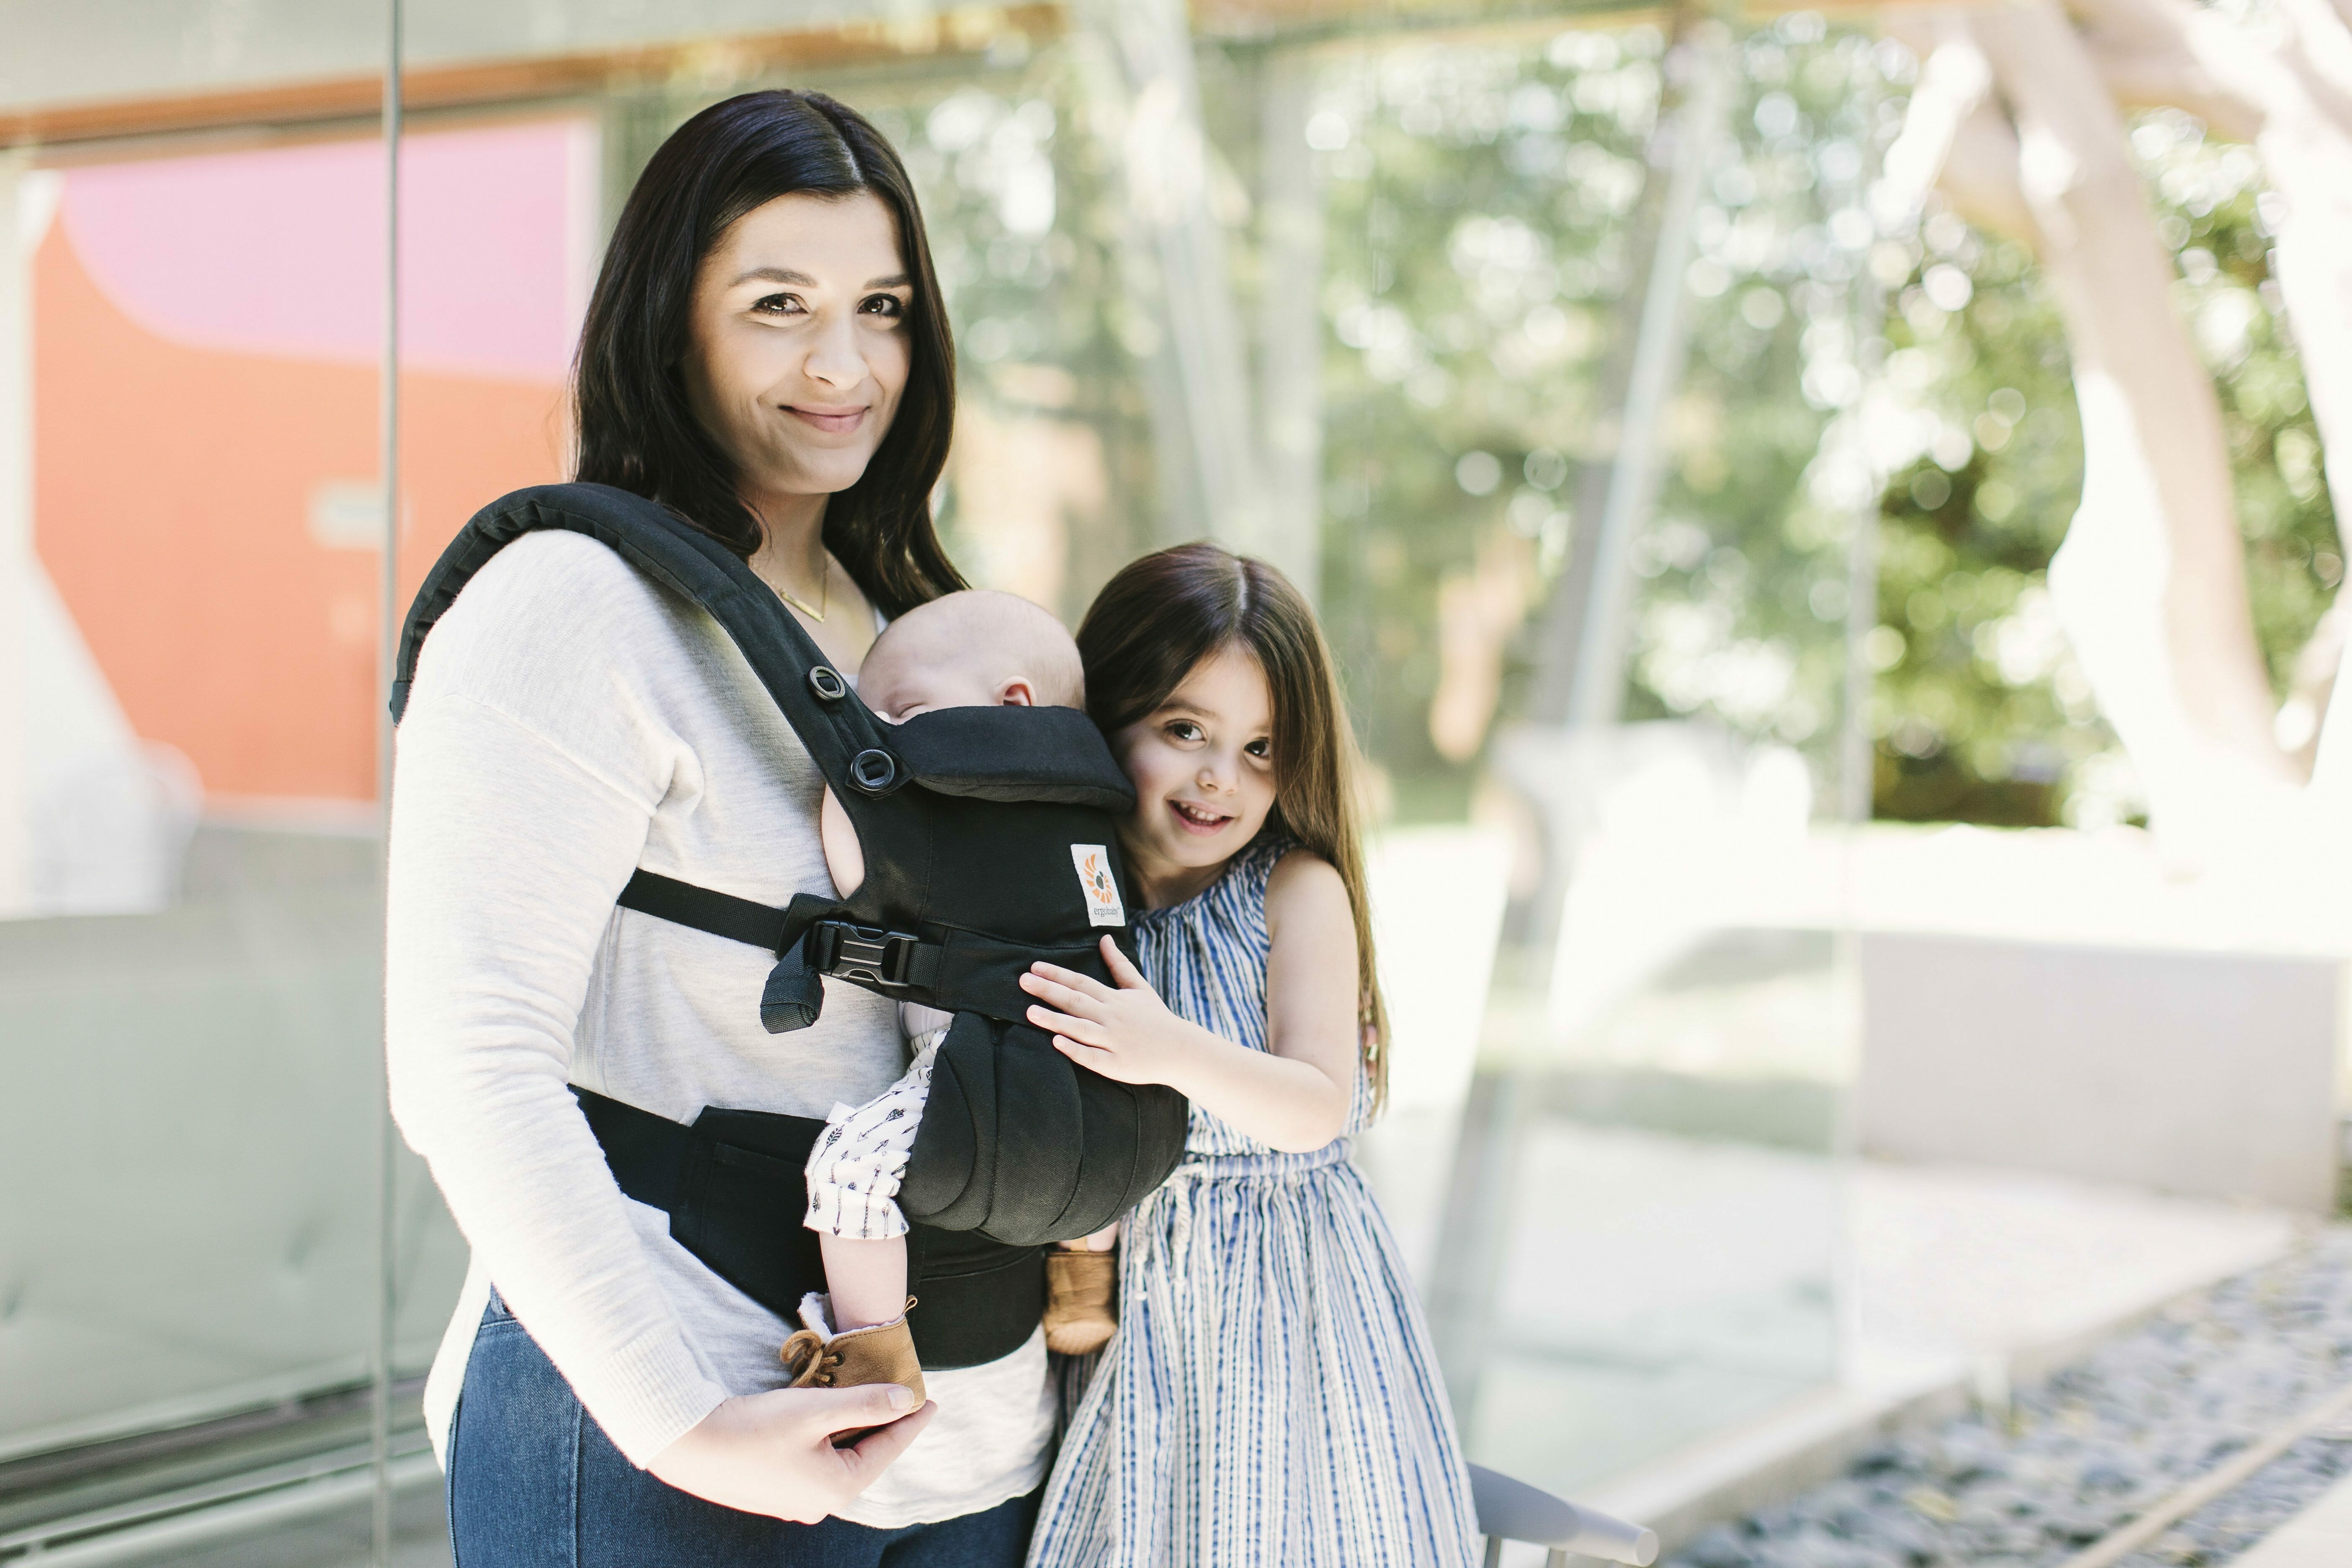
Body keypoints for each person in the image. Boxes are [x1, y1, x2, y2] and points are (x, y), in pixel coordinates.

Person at [387, 90, 1060, 1564]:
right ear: (668, 325)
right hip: (671, 1410)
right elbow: (463, 1056)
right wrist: (676, 1420)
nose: (842, 363)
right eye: (776, 305)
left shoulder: (915, 635)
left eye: (880, 307)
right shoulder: (569, 605)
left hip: (957, 1436)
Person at [1020, 543, 1482, 1567]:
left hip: (1288, 1313)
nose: (1219, 779)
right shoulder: (1070, 897)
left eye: (1262, 749)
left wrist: (1165, 1049)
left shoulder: (1293, 889)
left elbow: (1314, 1102)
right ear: (1107, 713)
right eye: (1184, 730)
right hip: (1137, 1315)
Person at [796, 591, 1120, 1390]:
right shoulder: (1098, 806)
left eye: (903, 712)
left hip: (991, 1085)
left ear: (1012, 704)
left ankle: (872, 1356)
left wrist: (845, 781)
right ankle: (1083, 1283)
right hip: (1119, 1117)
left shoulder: (947, 818)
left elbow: (857, 871)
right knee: (1107, 1123)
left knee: (847, 1170)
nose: (883, 735)